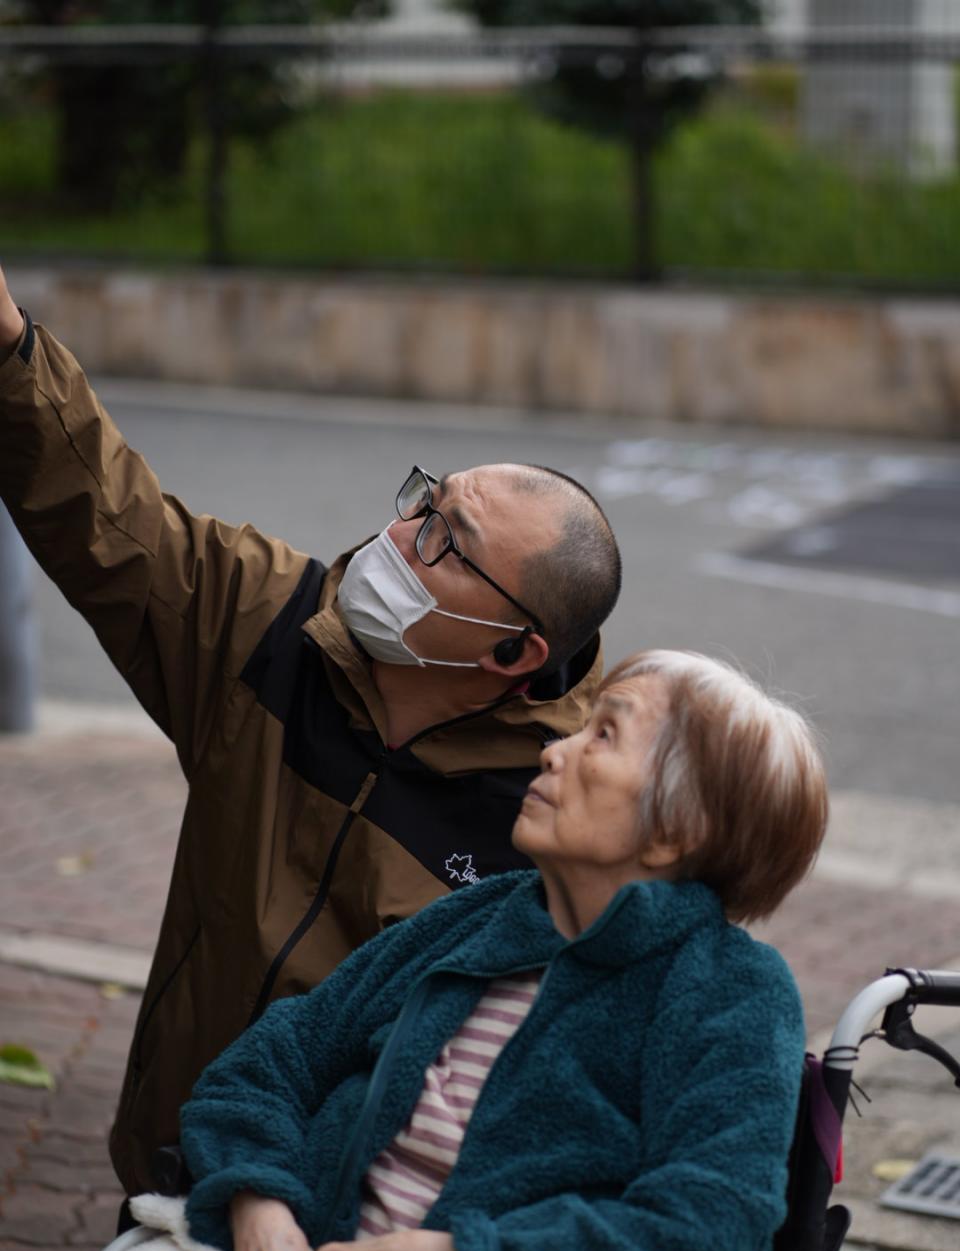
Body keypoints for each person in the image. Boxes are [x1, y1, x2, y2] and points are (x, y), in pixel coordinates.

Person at [0, 649, 828, 1251]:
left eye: (602, 735)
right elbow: (264, 1067)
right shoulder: (485, 915)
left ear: (674, 831)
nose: (554, 749)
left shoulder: (728, 992)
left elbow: (704, 1240)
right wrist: (260, 1208)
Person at [0, 267, 622, 1196]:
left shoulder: (557, 807)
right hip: (166, 1161)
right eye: (425, 504)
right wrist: (10, 350)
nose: (397, 537)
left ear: (509, 654)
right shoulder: (271, 624)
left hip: (347, 1222)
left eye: (447, 544)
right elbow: (109, 520)